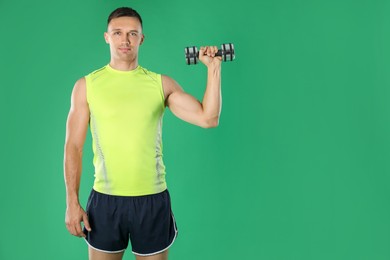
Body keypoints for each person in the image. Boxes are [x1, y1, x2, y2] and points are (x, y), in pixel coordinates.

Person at [64, 6, 222, 260]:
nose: (124, 40)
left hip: (152, 201)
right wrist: (72, 201)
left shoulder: (160, 84)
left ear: (141, 38)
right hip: (105, 201)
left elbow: (208, 118)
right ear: (106, 37)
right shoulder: (86, 86)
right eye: (117, 33)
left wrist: (213, 69)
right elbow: (73, 145)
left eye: (132, 34)